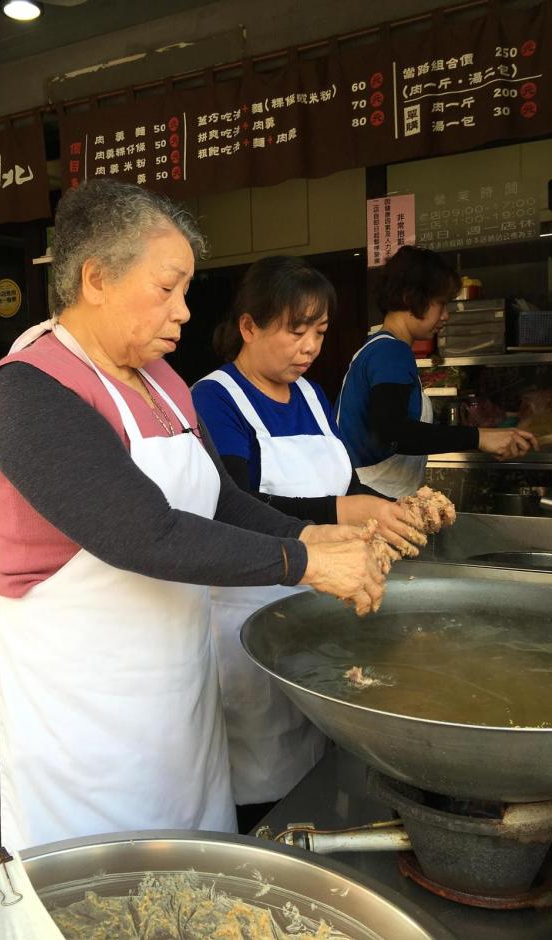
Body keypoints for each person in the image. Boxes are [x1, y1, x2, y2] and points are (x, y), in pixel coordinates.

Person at [0, 179, 385, 852]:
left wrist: (305, 530)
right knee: (109, 880)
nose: (184, 312)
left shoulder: (162, 378)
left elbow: (218, 497)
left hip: (176, 682)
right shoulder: (32, 390)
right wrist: (307, 562)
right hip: (84, 702)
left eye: (185, 291)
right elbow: (142, 532)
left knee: (194, 862)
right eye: (166, 289)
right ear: (96, 278)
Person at [192, 255, 427, 831]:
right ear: (249, 326)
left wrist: (384, 511)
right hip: (245, 611)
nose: (309, 347)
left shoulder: (313, 398)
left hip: (319, 599)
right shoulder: (215, 399)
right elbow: (234, 503)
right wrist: (343, 510)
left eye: (319, 332)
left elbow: (342, 483)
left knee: (317, 755)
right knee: (260, 761)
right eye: (295, 330)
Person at [336, 245, 538, 498]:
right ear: (411, 297)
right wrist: (478, 437)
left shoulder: (375, 347)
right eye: (441, 304)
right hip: (372, 496)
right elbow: (392, 430)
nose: (445, 316)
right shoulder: (391, 352)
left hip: (368, 492)